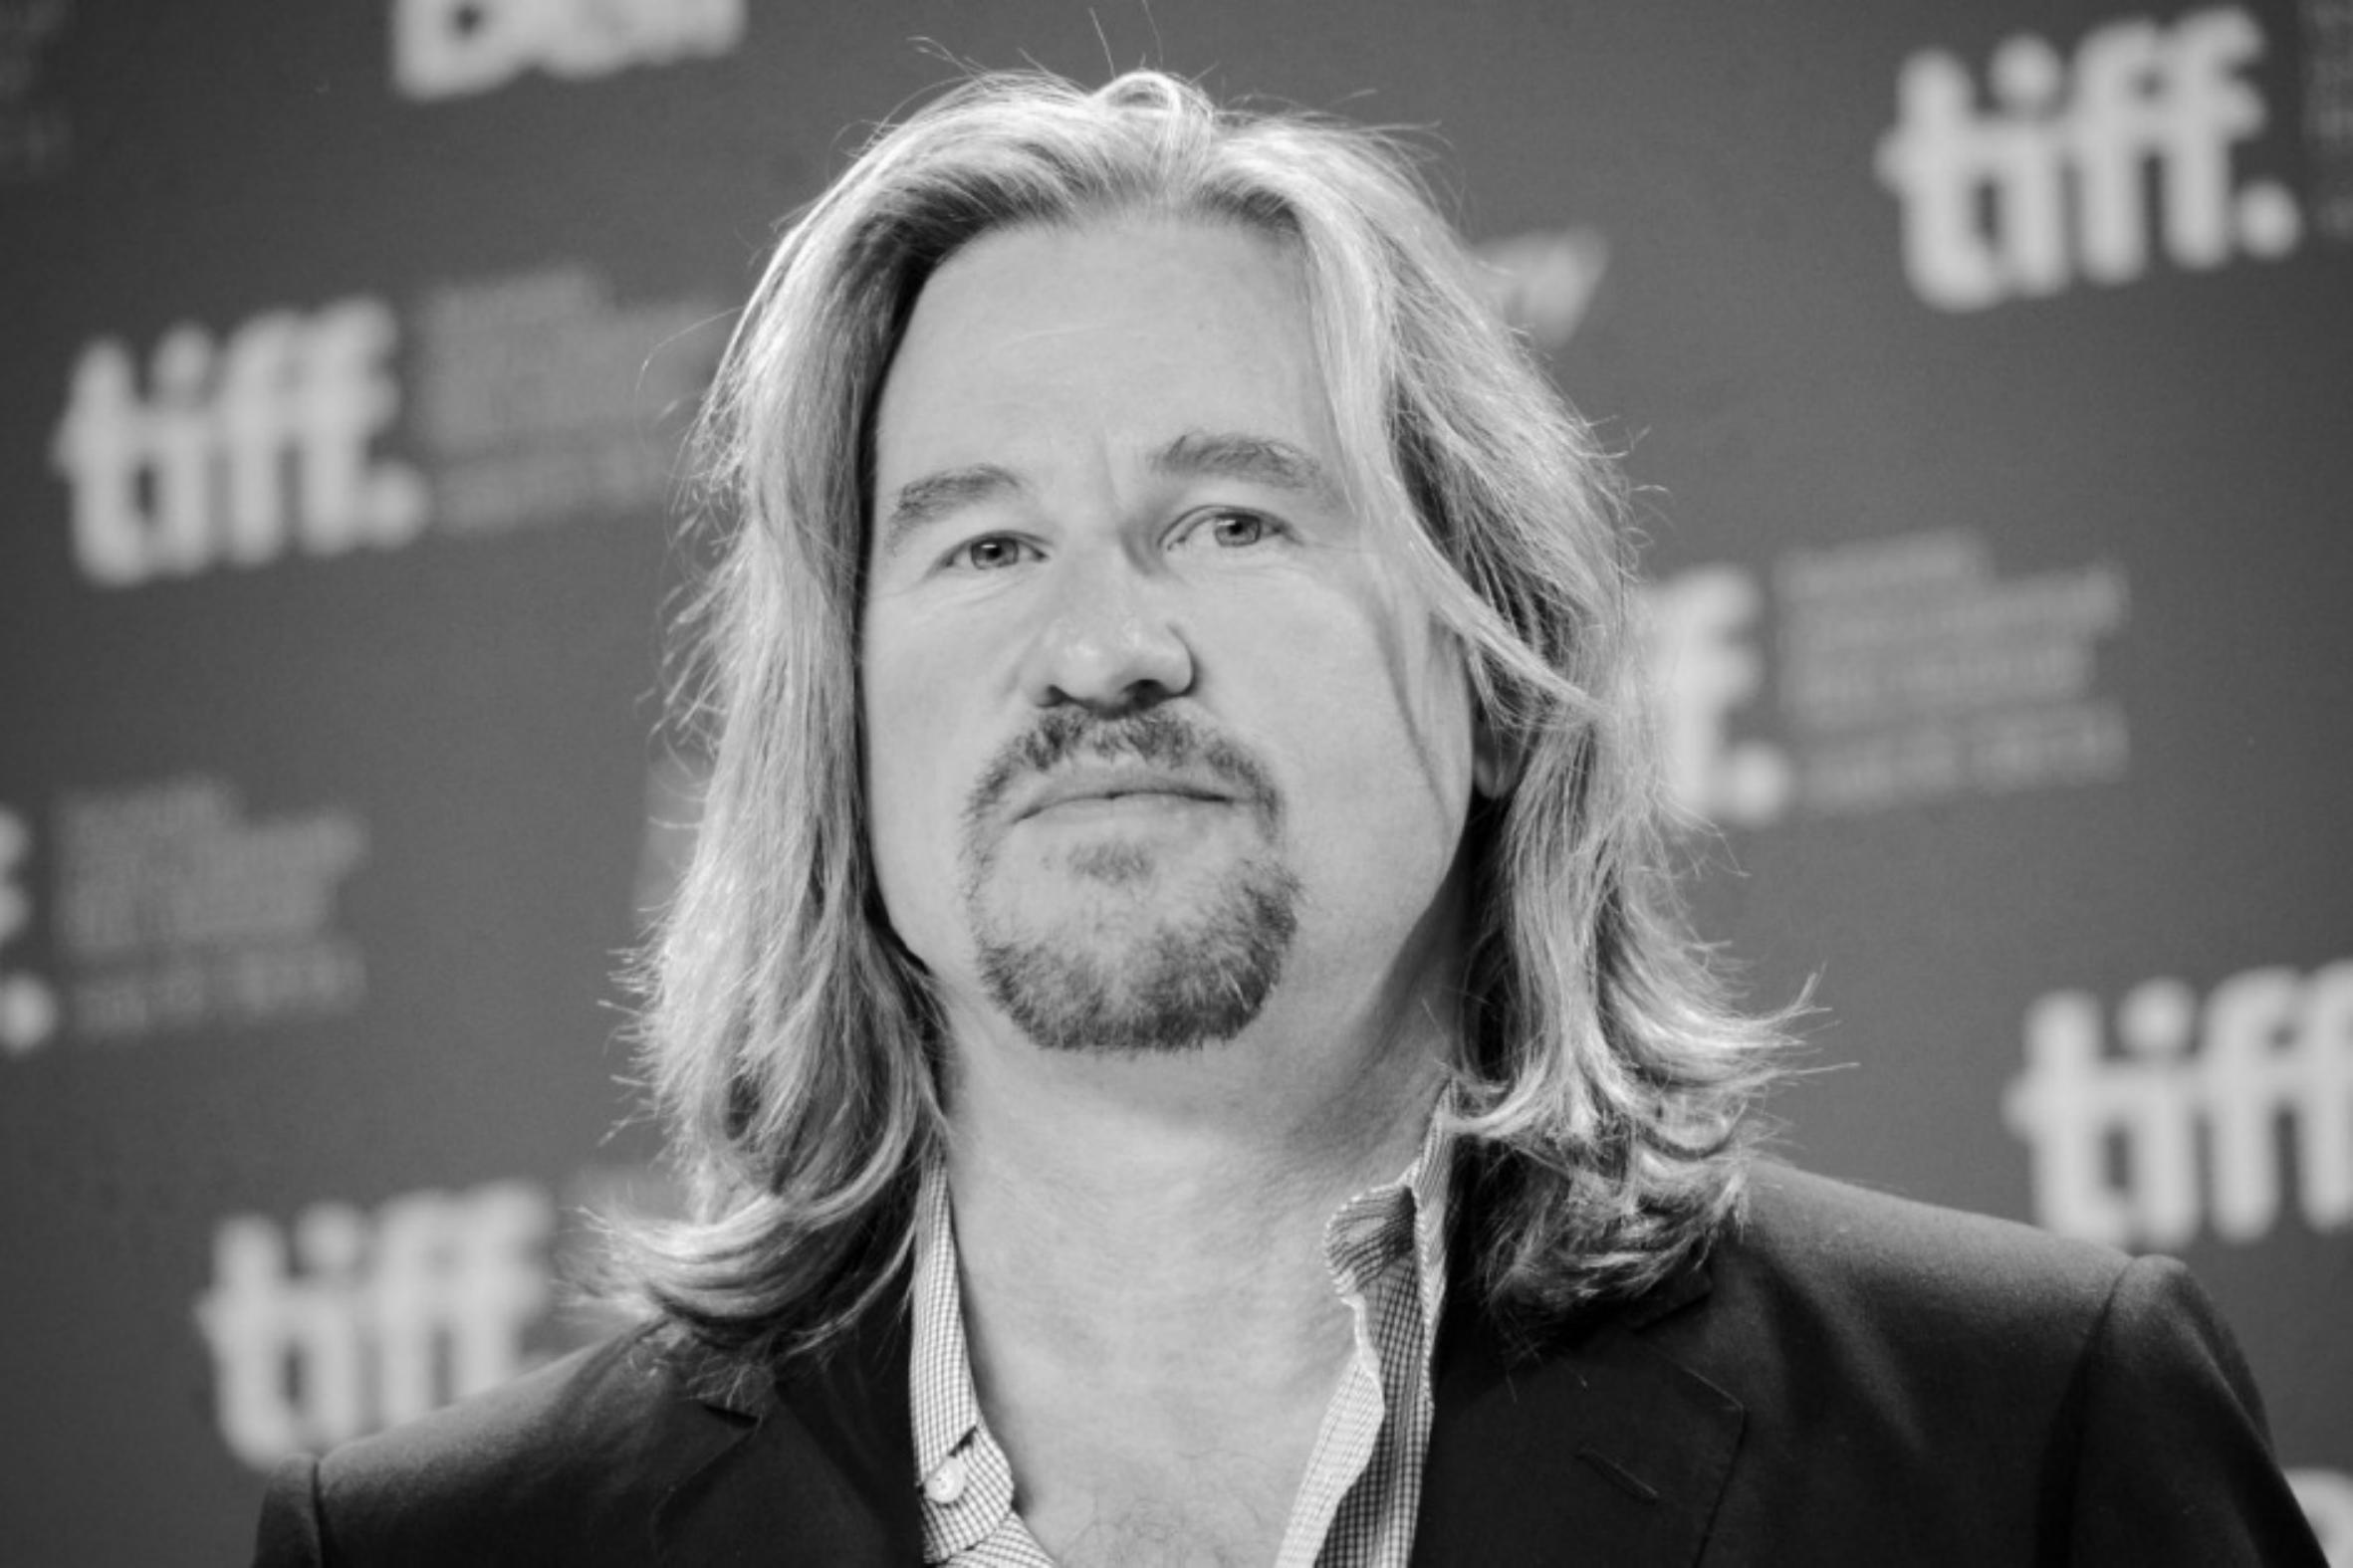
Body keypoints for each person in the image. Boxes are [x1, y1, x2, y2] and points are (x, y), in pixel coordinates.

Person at [253, 70, 2323, 1567]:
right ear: (838, 735)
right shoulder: (441, 1547)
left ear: (1498, 670)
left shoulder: (2021, 1438)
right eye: (983, 546)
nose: (1103, 649)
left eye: (1232, 518)